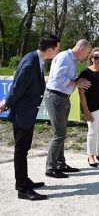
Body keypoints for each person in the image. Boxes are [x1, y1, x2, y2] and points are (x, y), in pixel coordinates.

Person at [0, 34, 61, 200]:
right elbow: (17, 88)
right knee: (21, 151)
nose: (58, 51)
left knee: (24, 149)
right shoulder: (30, 63)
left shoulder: (34, 58)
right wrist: (5, 103)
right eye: (57, 49)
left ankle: (23, 180)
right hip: (23, 114)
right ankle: (22, 188)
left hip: (27, 112)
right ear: (50, 50)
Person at [44, 39, 92, 178]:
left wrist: (76, 81)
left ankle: (60, 164)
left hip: (62, 97)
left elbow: (65, 77)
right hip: (55, 97)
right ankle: (50, 168)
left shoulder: (70, 58)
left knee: (61, 133)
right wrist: (77, 82)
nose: (87, 56)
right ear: (82, 49)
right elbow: (58, 78)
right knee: (59, 134)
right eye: (88, 52)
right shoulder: (65, 57)